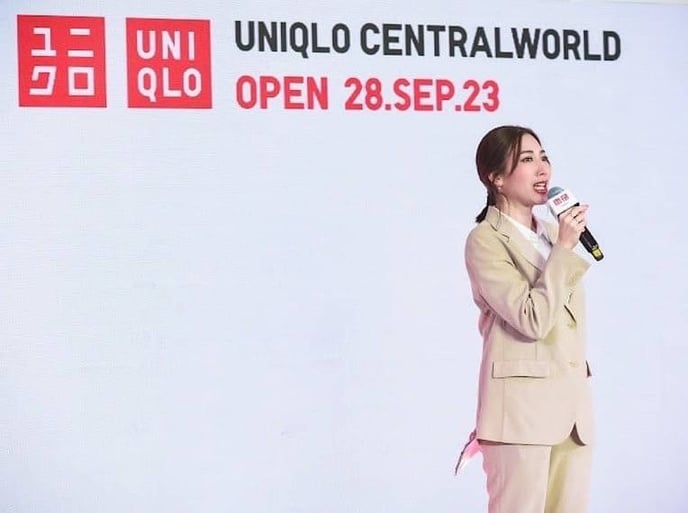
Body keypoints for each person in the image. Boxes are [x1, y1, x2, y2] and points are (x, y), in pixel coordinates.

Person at [463, 125, 594, 513]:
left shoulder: (555, 234)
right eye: (526, 159)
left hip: (572, 415)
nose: (542, 168)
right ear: (496, 178)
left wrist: (563, 245)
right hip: (519, 417)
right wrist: (564, 250)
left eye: (544, 157)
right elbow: (531, 318)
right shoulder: (485, 240)